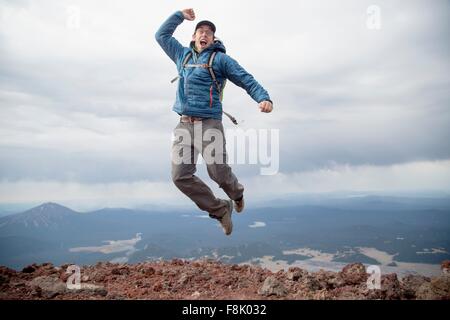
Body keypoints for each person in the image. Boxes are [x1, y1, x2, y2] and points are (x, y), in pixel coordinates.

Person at [155, 8, 273, 236]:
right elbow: (161, 36)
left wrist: (263, 97)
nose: (204, 34)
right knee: (180, 176)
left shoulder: (220, 60)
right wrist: (179, 15)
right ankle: (220, 210)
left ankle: (236, 194)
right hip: (183, 125)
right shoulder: (182, 56)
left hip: (209, 123)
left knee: (218, 172)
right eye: (200, 30)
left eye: (209, 32)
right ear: (193, 37)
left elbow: (245, 78)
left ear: (213, 39)